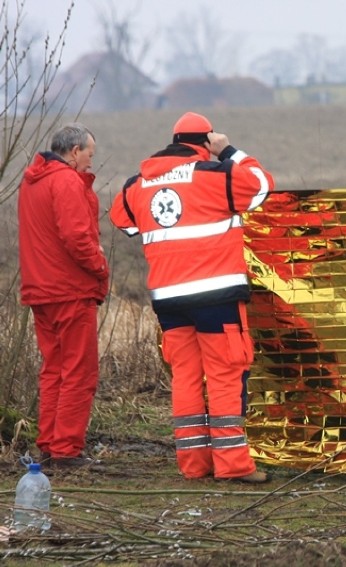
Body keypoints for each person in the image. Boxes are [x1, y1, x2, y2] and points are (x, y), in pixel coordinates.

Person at [109, 112, 274, 483]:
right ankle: (232, 464)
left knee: (185, 377)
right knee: (225, 375)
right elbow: (261, 185)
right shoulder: (216, 174)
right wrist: (228, 150)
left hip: (168, 300)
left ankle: (194, 464)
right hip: (215, 295)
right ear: (205, 142)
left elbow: (123, 220)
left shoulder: (140, 183)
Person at [18, 123, 110, 469]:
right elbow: (76, 237)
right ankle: (67, 449)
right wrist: (100, 266)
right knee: (78, 372)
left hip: (40, 291)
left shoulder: (32, 182)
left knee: (54, 369)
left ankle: (50, 443)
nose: (90, 162)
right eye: (89, 154)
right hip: (70, 290)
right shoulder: (67, 181)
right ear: (74, 152)